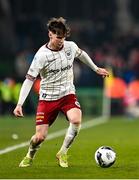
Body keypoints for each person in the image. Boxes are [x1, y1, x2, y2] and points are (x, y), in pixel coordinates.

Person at [13, 17, 109, 168]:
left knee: (76, 120)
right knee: (40, 137)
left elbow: (81, 54)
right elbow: (29, 79)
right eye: (58, 37)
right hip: (47, 98)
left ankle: (63, 152)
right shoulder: (41, 56)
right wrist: (20, 104)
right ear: (50, 34)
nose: (61, 41)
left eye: (63, 37)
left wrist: (96, 68)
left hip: (67, 94)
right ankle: (29, 155)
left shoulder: (70, 46)